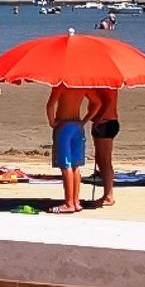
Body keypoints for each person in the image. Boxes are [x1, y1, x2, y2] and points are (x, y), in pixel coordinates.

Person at [46, 85, 93, 214]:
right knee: (75, 165)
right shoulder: (82, 85)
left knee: (66, 165)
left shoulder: (61, 85)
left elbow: (50, 105)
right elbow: (97, 103)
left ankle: (69, 203)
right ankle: (76, 202)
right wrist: (84, 121)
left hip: (64, 125)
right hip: (77, 125)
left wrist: (52, 122)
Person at [90, 89, 122, 206]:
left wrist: (97, 120)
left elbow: (107, 102)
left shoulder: (106, 83)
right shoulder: (108, 83)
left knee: (104, 160)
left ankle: (109, 195)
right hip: (108, 122)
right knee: (101, 159)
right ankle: (107, 194)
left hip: (105, 122)